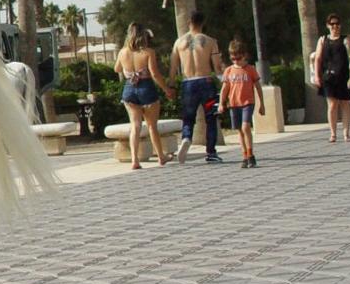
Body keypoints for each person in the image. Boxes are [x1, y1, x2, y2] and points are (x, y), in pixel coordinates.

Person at [114, 23, 175, 169]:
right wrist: (167, 89)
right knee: (151, 126)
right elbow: (154, 74)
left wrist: (129, 70)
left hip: (129, 88)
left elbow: (117, 69)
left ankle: (135, 160)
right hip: (146, 88)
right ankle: (161, 156)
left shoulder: (122, 52)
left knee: (135, 126)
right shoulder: (148, 52)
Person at [169, 10, 224, 164]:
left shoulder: (179, 42)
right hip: (206, 83)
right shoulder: (210, 41)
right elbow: (217, 67)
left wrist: (171, 85)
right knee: (211, 118)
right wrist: (224, 83)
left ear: (189, 22)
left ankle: (186, 137)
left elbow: (173, 66)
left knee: (188, 117)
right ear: (203, 23)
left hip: (188, 84)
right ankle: (211, 152)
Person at [220, 39, 265, 168]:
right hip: (234, 104)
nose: (236, 61)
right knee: (240, 130)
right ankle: (244, 154)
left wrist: (262, 104)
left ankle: (251, 154)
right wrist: (222, 103)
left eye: (238, 58)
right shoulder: (229, 71)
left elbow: (258, 87)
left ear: (244, 55)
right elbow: (224, 89)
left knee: (246, 127)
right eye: (233, 58)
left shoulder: (250, 69)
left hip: (247, 103)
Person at [313, 13, 350, 142]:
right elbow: (318, 59)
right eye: (332, 24)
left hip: (344, 76)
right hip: (328, 77)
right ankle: (333, 133)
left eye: (337, 24)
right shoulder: (322, 40)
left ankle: (346, 133)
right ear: (327, 25)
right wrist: (317, 76)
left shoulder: (346, 39)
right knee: (332, 105)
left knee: (345, 104)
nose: (335, 26)